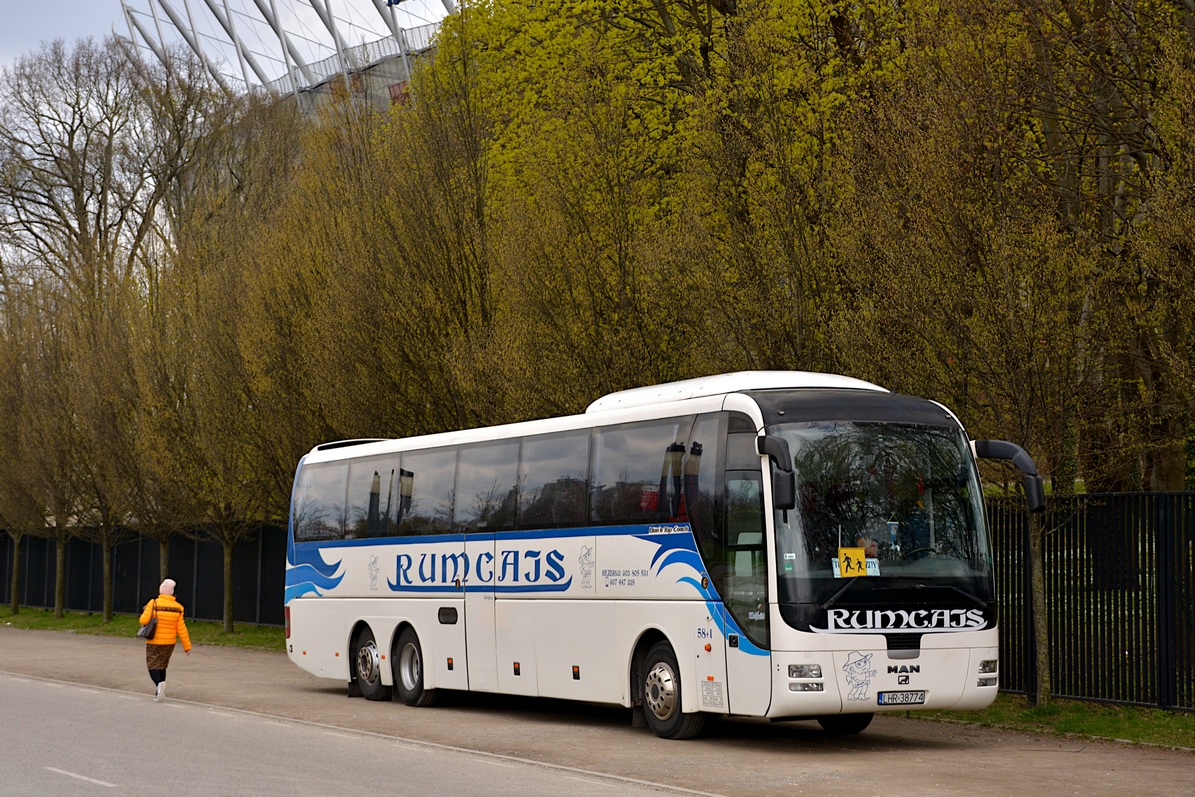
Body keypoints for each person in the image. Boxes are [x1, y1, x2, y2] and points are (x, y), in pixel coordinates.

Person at [139, 578, 192, 701]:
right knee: (162, 665)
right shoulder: (178, 607)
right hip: (169, 642)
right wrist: (187, 646)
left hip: (154, 641)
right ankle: (159, 693)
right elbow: (181, 628)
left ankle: (159, 684)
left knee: (152, 665)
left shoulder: (154, 603)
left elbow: (143, 620)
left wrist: (146, 610)